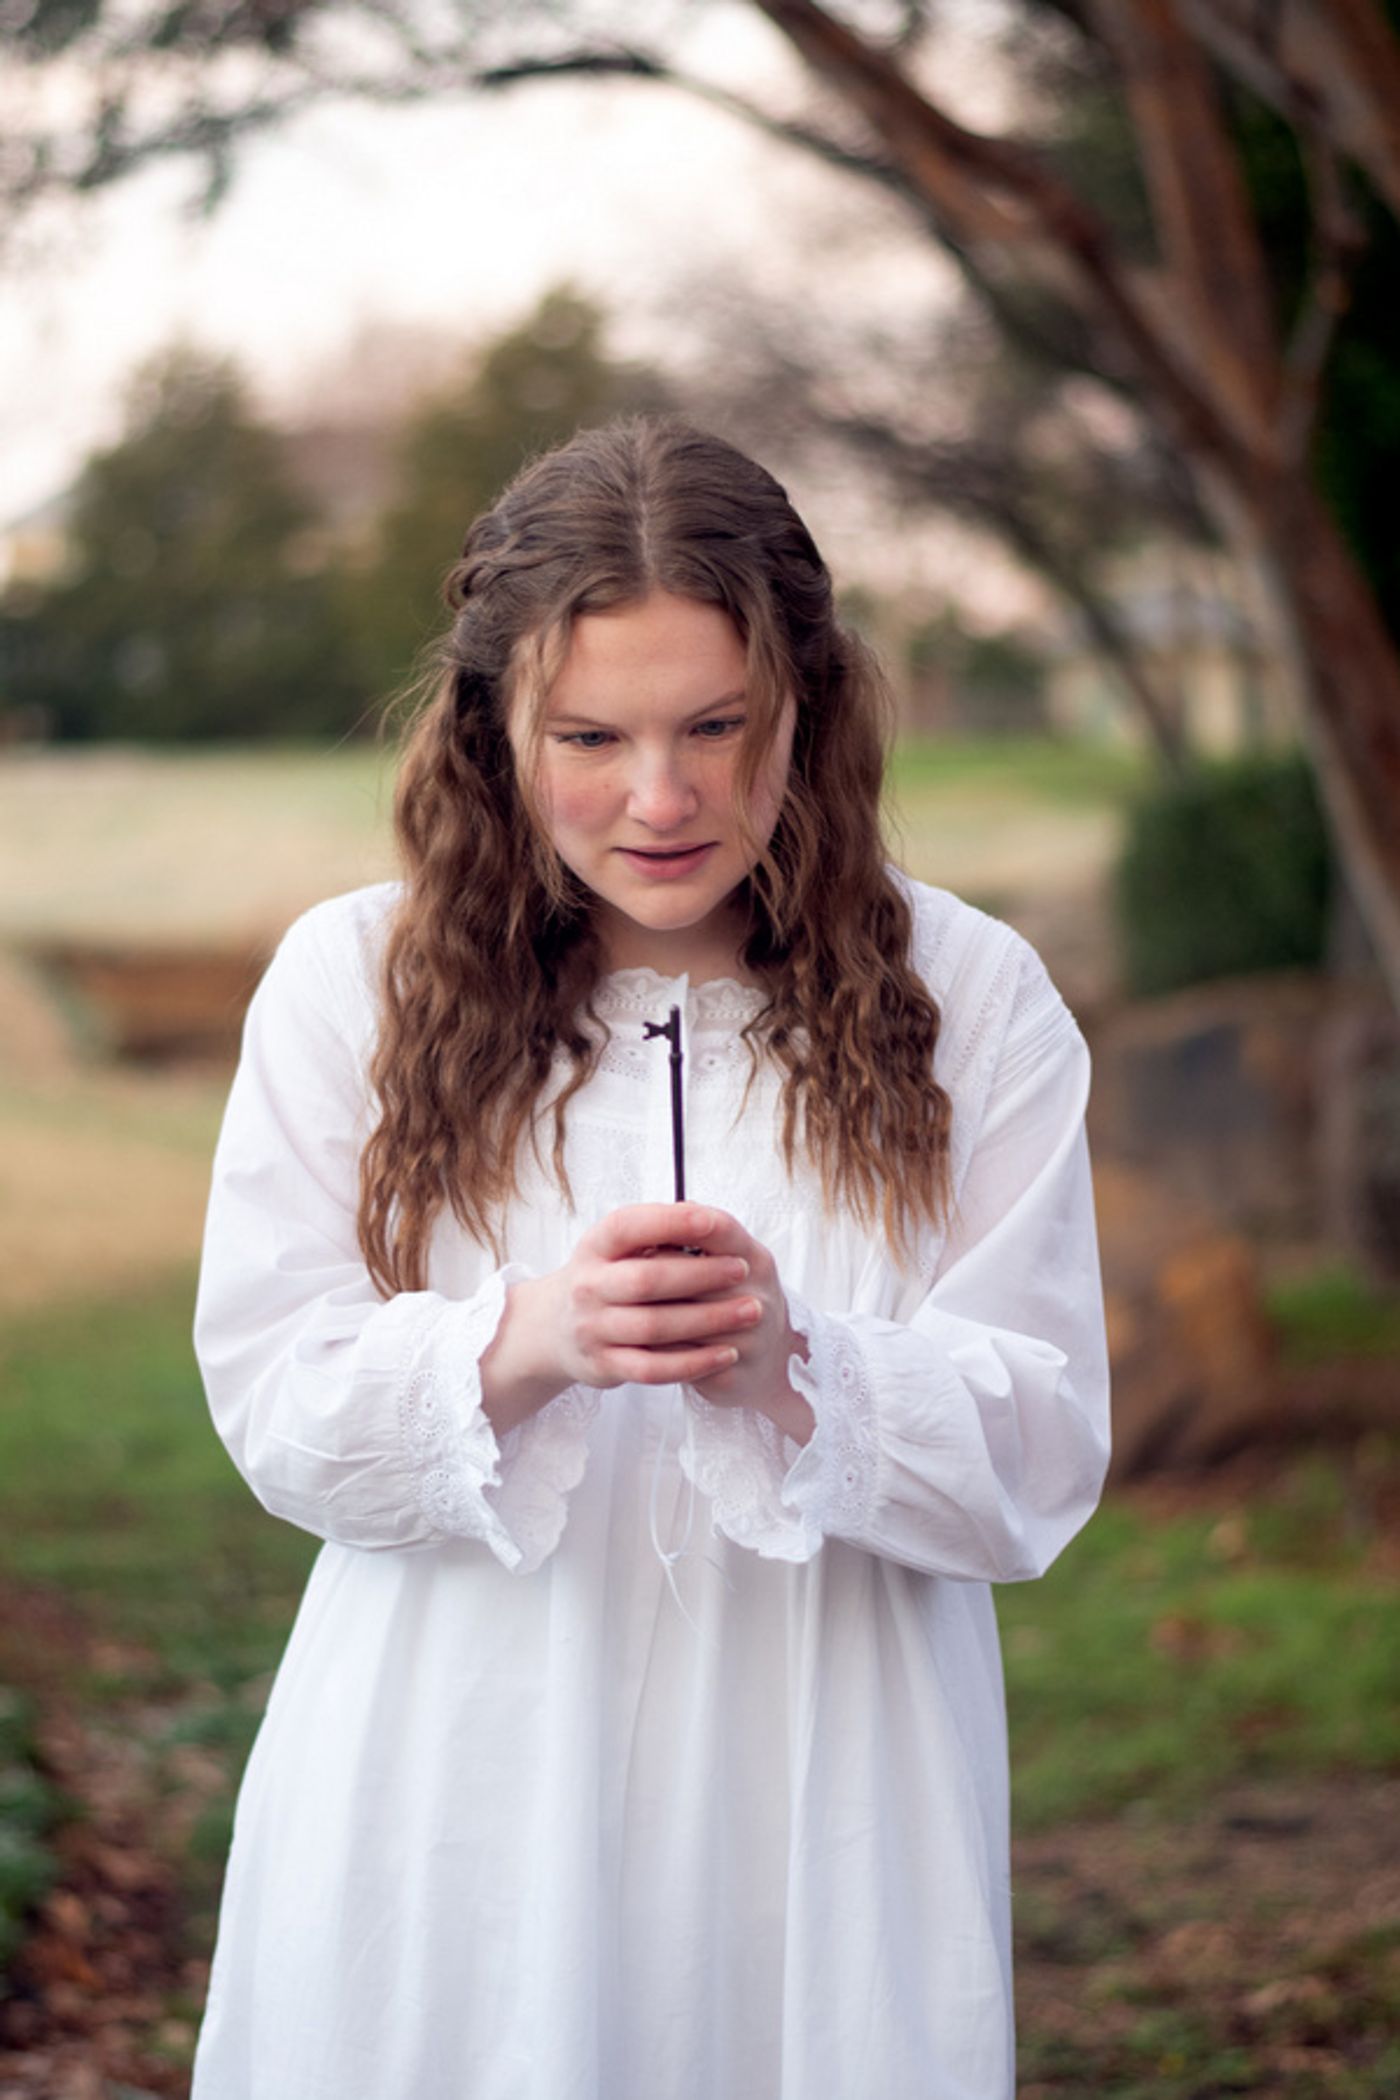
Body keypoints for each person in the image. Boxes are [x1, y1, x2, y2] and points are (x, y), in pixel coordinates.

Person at [190, 416, 1110, 2100]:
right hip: (452, 1785)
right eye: (591, 737)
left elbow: (1040, 1459)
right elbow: (274, 1409)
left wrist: (797, 1370)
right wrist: (530, 1339)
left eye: (716, 727)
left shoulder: (974, 1000)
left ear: (808, 709)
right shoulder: (354, 986)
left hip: (828, 1800)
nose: (662, 798)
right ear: (495, 730)